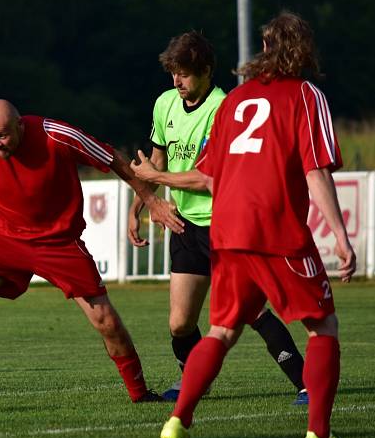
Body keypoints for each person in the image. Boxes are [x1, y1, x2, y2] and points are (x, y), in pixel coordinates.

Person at [158, 11, 355, 438]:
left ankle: (177, 421)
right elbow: (316, 171)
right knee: (323, 327)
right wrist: (340, 237)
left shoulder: (234, 101)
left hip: (226, 234)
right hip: (277, 232)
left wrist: (158, 181)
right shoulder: (307, 96)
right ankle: (318, 435)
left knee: (221, 332)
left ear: (265, 49)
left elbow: (209, 176)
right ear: (302, 51)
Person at [0, 98, 181, 407]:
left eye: (4, 136)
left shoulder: (57, 136)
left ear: (21, 125)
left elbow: (113, 158)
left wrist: (152, 201)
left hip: (58, 242)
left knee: (105, 319)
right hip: (4, 238)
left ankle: (140, 393)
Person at [127, 31, 308, 405]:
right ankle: (196, 381)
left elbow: (208, 179)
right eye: (173, 73)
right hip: (185, 226)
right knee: (180, 323)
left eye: (185, 73)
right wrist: (139, 206)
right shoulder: (164, 104)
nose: (177, 81)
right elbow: (157, 159)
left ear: (206, 71)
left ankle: (306, 384)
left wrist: (155, 179)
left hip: (225, 225)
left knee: (253, 311)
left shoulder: (224, 109)